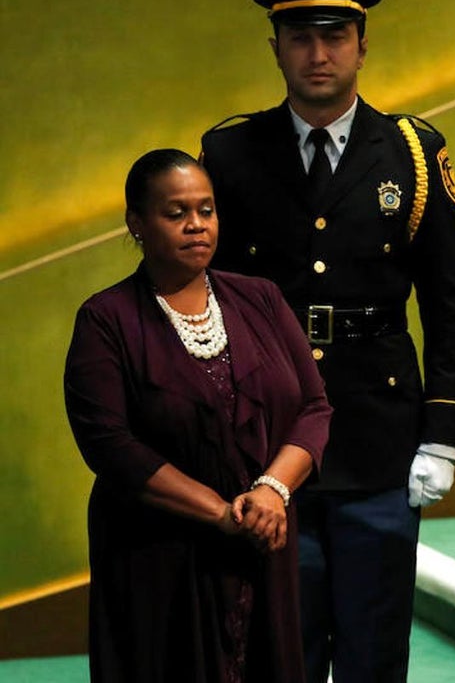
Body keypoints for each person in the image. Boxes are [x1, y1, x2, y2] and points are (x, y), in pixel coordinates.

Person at [198, 0, 455, 682]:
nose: (318, 54)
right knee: (279, 649)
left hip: (379, 432)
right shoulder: (230, 153)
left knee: (372, 650)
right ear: (276, 49)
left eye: (335, 36)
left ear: (362, 46)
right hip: (268, 432)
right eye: (300, 38)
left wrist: (443, 433)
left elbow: (447, 300)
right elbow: (204, 296)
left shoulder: (413, 153)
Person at [64, 149, 331, 682]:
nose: (196, 225)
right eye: (176, 213)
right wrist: (220, 514)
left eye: (206, 210)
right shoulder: (106, 319)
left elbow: (313, 406)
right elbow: (110, 446)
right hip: (158, 556)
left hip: (263, 538)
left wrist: (271, 491)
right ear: (137, 223)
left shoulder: (261, 298)